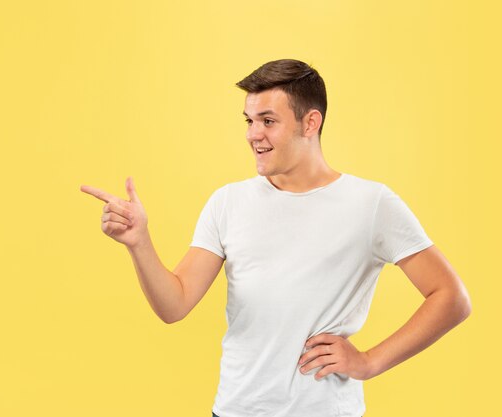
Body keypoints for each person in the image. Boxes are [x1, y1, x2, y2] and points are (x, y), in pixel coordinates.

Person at [80, 58, 472, 417]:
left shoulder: (370, 204)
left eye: (268, 121)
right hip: (236, 409)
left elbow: (451, 298)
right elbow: (175, 304)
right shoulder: (228, 202)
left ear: (310, 123)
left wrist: (369, 361)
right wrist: (139, 242)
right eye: (248, 121)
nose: (254, 135)